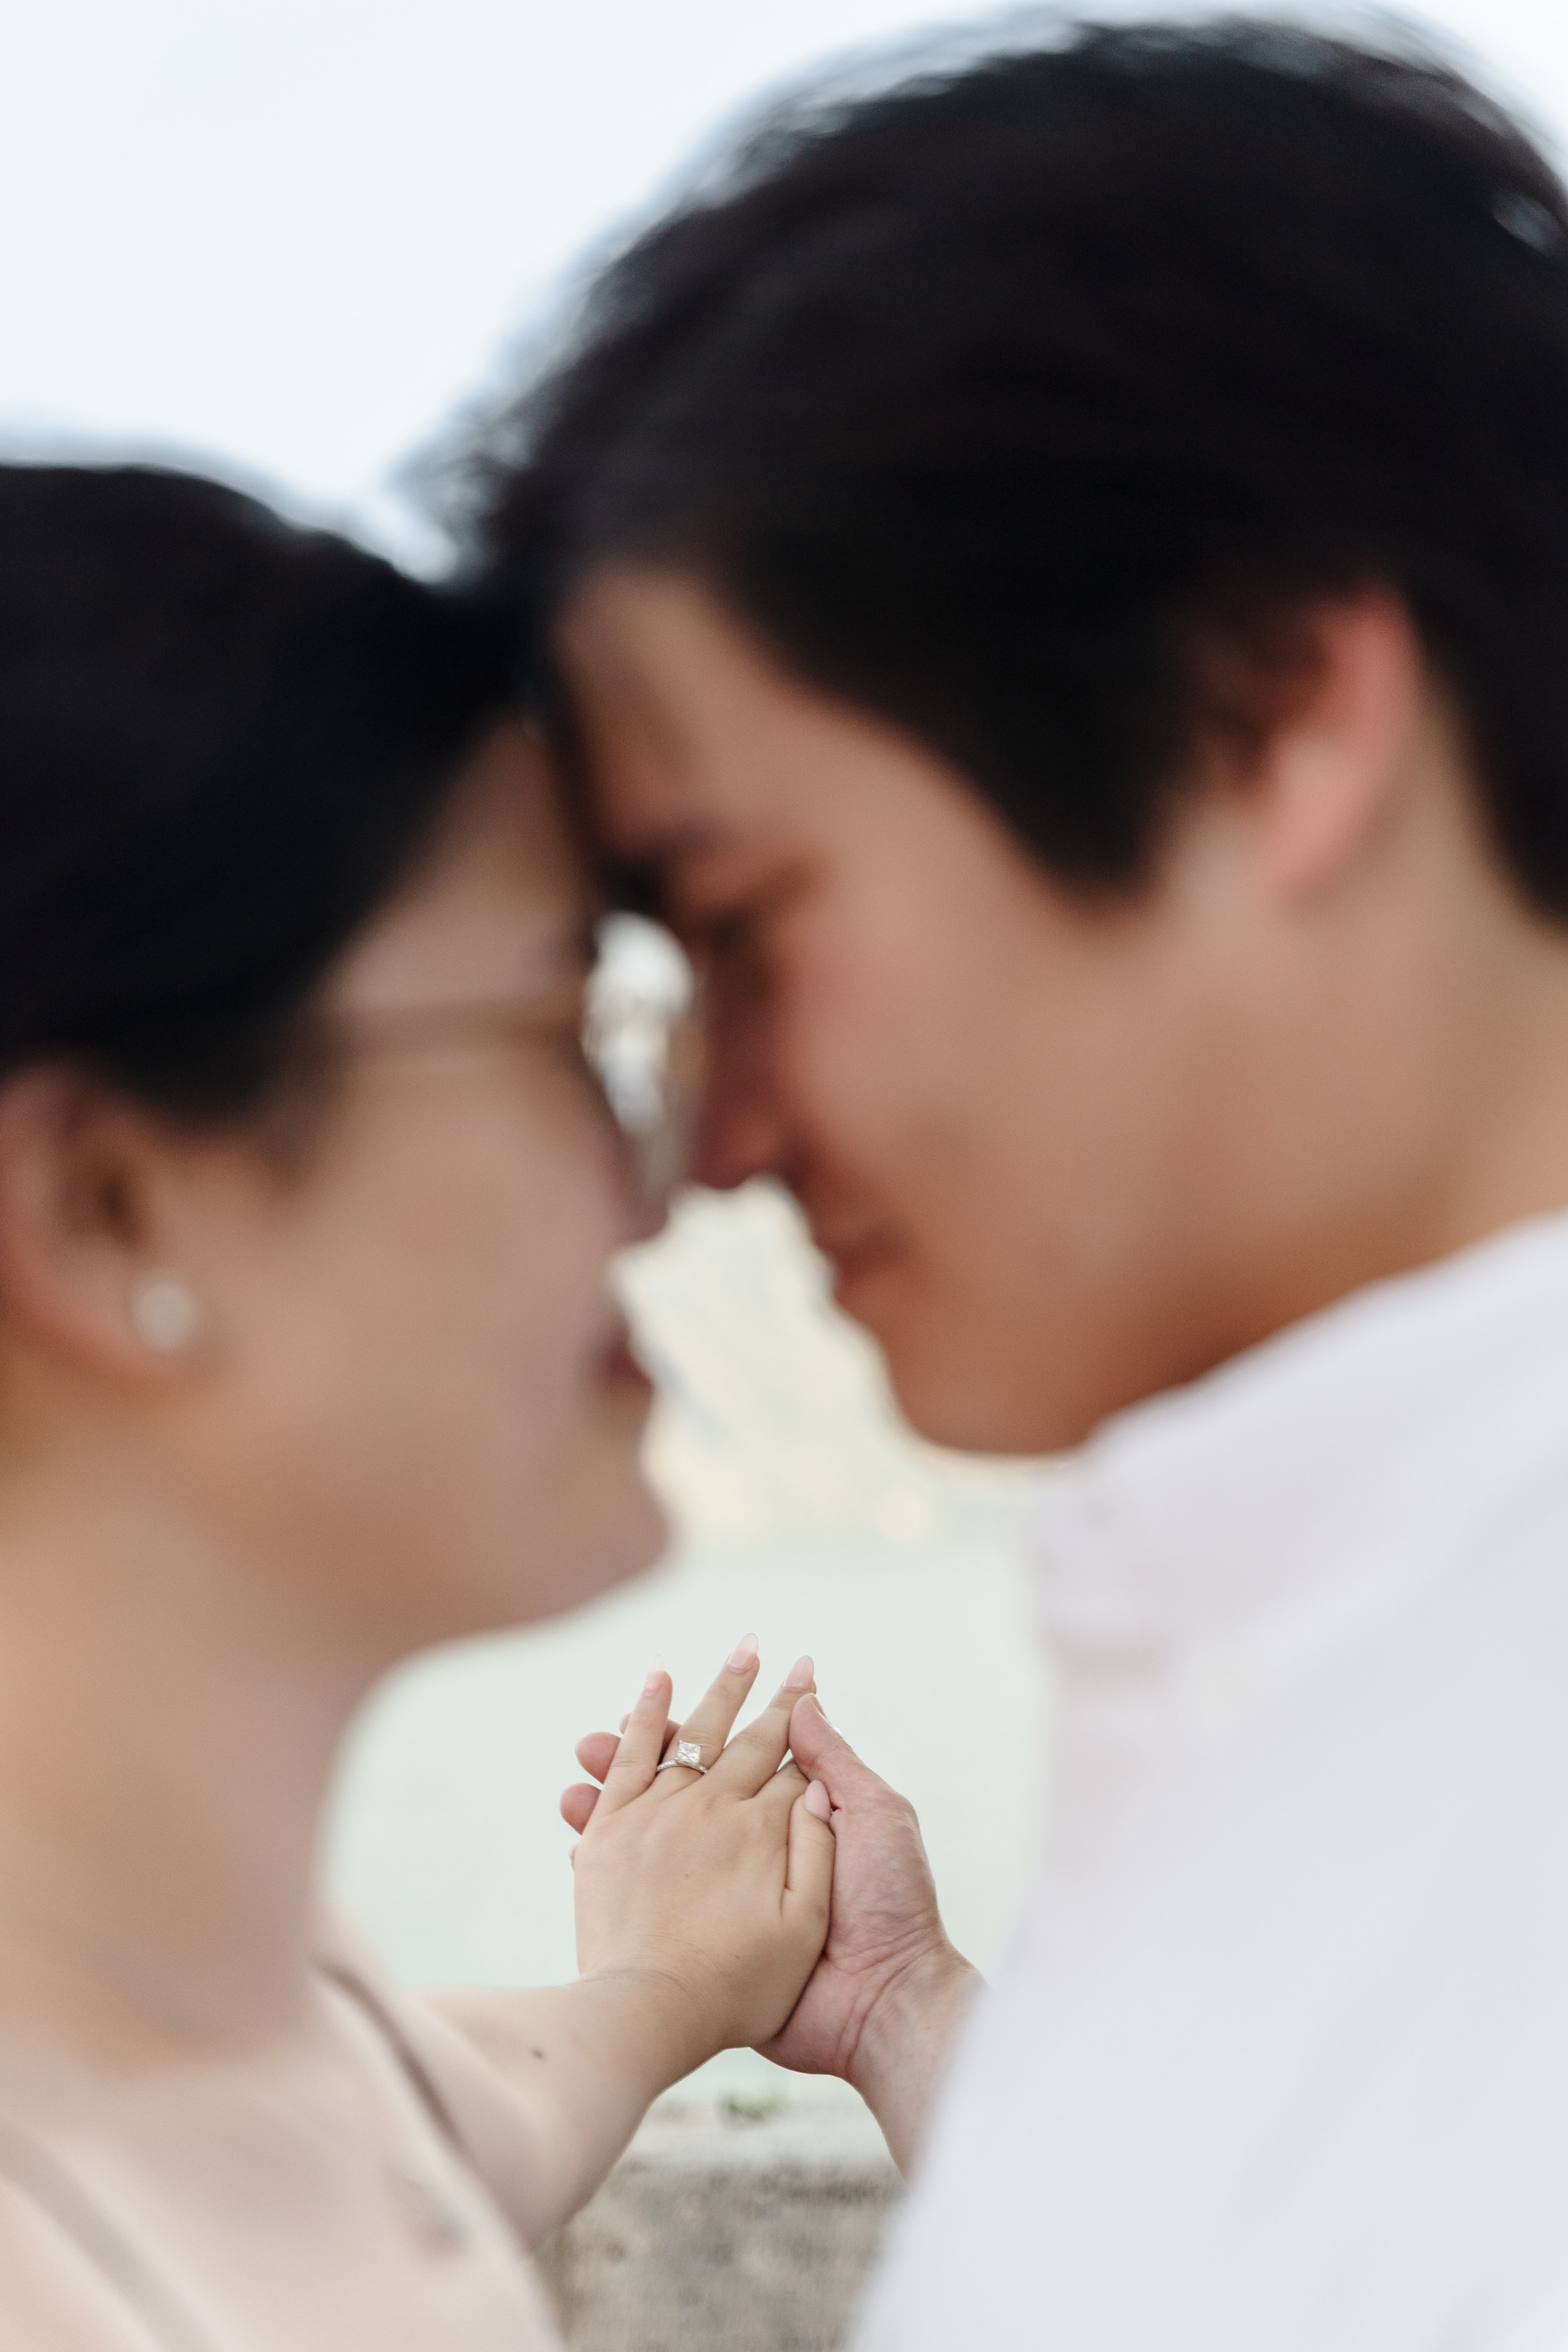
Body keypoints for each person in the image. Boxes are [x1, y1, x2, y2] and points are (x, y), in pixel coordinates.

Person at [470, 18, 1568, 2347]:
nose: (713, 1147)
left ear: (1266, 715)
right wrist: (921, 2024)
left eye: (750, 928)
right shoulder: (1339, 1664)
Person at [0, 461, 838, 2349]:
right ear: (103, 1201)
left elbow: (477, 2103)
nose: (682, 1158)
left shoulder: (272, 2031)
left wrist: (670, 1982)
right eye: (563, 1029)